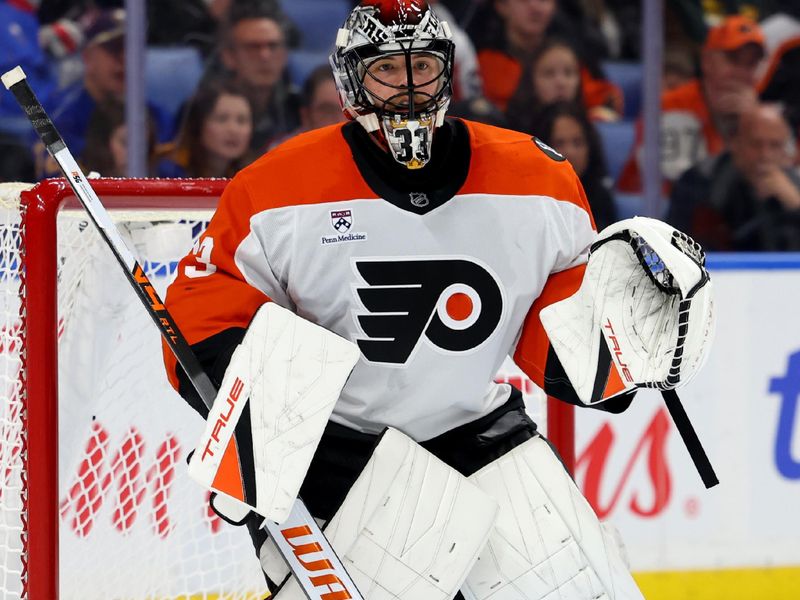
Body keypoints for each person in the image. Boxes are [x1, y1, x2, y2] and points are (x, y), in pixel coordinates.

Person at [162, 1, 687, 597]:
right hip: (342, 457)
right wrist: (283, 440)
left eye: (424, 68)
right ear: (351, 79)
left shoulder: (540, 180)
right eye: (388, 68)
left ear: (449, 72)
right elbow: (201, 316)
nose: (409, 88)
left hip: (481, 437)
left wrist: (619, 352)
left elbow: (555, 335)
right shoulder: (274, 188)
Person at [618, 15, 766, 193]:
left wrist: (752, 126)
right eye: (733, 59)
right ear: (707, 61)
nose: (742, 72)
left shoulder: (762, 115)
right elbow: (677, 185)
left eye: (751, 63)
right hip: (652, 211)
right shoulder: (670, 106)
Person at [34, 8, 172, 178]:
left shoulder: (157, 117)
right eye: (114, 49)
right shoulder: (58, 119)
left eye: (133, 50)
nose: (125, 60)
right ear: (87, 57)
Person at [667, 103, 800, 251]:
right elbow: (677, 248)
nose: (765, 155)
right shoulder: (700, 181)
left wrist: (795, 205)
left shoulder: (795, 184)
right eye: (756, 144)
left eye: (775, 145)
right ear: (735, 143)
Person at [474, 0, 622, 115]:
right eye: (524, 1)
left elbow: (604, 97)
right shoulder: (481, 58)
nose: (535, 7)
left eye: (544, 0)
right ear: (501, 5)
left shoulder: (568, 53)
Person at [217, 1, 300, 152]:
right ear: (229, 57)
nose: (265, 56)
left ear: (284, 55)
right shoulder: (208, 110)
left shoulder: (298, 109)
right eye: (252, 47)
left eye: (273, 46)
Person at [529, 101, 618, 229]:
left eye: (577, 143)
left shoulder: (601, 197)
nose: (570, 152)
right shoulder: (531, 200)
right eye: (559, 143)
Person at [505, 37, 619, 132]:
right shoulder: (513, 128)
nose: (561, 82)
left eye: (568, 73)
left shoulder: (593, 125)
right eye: (549, 73)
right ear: (531, 80)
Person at [160, 81, 254, 179]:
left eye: (242, 121)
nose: (233, 129)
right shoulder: (170, 171)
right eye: (221, 119)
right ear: (198, 124)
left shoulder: (253, 174)